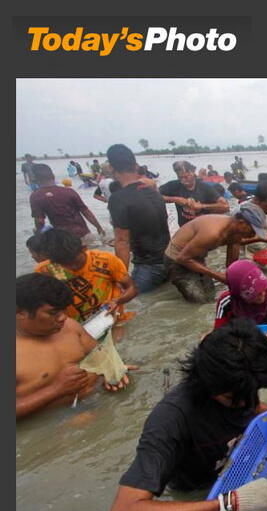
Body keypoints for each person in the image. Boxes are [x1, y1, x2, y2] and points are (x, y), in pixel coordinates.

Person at [106, 320, 267, 511]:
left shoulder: (239, 386)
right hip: (200, 492)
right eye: (233, 399)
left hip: (240, 468)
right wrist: (231, 503)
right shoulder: (170, 419)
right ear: (207, 385)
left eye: (253, 392)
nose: (246, 403)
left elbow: (249, 404)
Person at [16, 274, 131, 419]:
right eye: (53, 313)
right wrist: (56, 389)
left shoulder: (69, 326)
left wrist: (112, 371)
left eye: (64, 310)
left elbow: (101, 355)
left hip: (100, 398)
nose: (63, 317)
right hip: (55, 421)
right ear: (20, 312)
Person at [164, 206, 267, 304]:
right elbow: (182, 258)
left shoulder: (235, 230)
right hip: (176, 261)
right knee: (199, 302)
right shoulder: (212, 233)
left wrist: (232, 277)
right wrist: (218, 276)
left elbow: (234, 248)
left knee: (210, 296)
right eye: (253, 230)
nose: (253, 234)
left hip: (196, 258)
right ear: (242, 223)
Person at [106, 143, 171, 294]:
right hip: (170, 261)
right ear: (135, 165)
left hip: (148, 267)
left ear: (111, 167)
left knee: (125, 302)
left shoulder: (118, 199)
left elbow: (122, 242)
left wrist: (120, 280)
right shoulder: (153, 192)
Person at [35, 229, 137, 322]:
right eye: (65, 264)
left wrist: (117, 301)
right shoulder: (45, 270)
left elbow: (132, 288)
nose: (72, 267)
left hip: (112, 317)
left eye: (76, 261)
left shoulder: (106, 259)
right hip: (78, 325)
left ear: (84, 248)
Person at [214, 260, 267, 344]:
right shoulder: (226, 302)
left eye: (262, 286)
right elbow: (218, 334)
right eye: (255, 293)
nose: (262, 294)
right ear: (238, 294)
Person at [29, 164, 106, 242]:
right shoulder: (69, 191)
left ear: (34, 178)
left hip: (64, 240)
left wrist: (38, 235)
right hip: (83, 234)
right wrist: (98, 227)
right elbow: (86, 212)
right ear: (53, 175)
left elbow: (40, 221)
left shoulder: (36, 196)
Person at [159, 160, 229, 227]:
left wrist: (202, 206)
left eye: (186, 177)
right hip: (185, 229)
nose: (183, 180)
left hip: (203, 228)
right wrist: (175, 199)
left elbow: (225, 206)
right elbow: (153, 196)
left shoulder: (205, 187)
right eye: (180, 177)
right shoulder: (174, 185)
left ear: (193, 173)